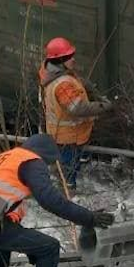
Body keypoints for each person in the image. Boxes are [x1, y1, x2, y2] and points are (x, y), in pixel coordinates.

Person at [0, 133, 115, 267]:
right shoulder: (31, 161)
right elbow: (50, 200)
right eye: (48, 163)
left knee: (1, 255)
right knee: (49, 248)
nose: (46, 167)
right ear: (45, 154)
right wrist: (89, 218)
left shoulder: (6, 157)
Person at [39, 37, 114, 192]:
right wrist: (102, 106)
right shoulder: (63, 85)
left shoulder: (53, 72)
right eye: (68, 57)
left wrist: (85, 86)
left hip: (67, 134)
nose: (73, 59)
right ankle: (68, 194)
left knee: (69, 163)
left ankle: (65, 183)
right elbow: (77, 108)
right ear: (59, 61)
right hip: (69, 137)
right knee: (69, 169)